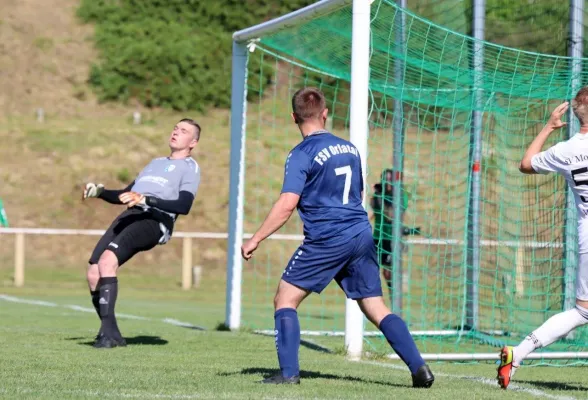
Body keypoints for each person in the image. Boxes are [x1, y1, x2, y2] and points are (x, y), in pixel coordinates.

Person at [241, 87, 434, 387]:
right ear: (325, 113)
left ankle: (289, 374)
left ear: (293, 117)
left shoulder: (300, 154)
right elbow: (357, 194)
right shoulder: (350, 148)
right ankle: (419, 368)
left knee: (285, 299)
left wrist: (255, 239)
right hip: (360, 234)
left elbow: (286, 205)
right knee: (375, 306)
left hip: (328, 237)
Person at [82, 118, 201, 349]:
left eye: (183, 130)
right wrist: (100, 192)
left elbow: (184, 206)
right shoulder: (154, 163)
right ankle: (113, 333)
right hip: (131, 214)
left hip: (154, 219)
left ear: (193, 142)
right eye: (175, 127)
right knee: (93, 273)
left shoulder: (190, 167)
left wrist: (146, 199)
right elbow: (126, 194)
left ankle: (107, 337)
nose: (176, 132)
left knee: (107, 262)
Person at [497, 92, 588, 389]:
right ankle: (518, 353)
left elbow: (525, 163)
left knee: (583, 311)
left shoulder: (565, 150)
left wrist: (549, 126)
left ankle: (518, 353)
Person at [370, 168, 409, 297]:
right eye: (384, 180)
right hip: (377, 238)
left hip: (392, 239)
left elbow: (391, 216)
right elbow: (372, 213)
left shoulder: (400, 196)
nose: (387, 183)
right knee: (373, 271)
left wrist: (380, 198)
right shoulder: (378, 195)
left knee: (389, 273)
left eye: (389, 180)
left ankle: (395, 299)